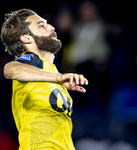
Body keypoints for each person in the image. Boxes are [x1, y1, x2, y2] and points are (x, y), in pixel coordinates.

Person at [1, 8, 89, 150]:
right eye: (41, 25)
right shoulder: (31, 60)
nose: (51, 27)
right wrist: (58, 78)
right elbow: (10, 69)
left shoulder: (49, 71)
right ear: (26, 38)